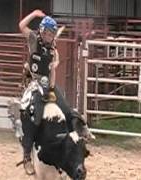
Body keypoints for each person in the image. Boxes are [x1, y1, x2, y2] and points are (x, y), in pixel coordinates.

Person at [18, 9, 93, 175]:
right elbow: (21, 25)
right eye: (47, 32)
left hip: (47, 84)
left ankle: (82, 129)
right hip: (34, 83)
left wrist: (52, 84)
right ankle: (27, 156)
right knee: (35, 117)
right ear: (42, 31)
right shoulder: (33, 40)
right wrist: (35, 15)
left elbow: (52, 75)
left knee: (66, 109)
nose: (49, 36)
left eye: (52, 33)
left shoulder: (53, 51)